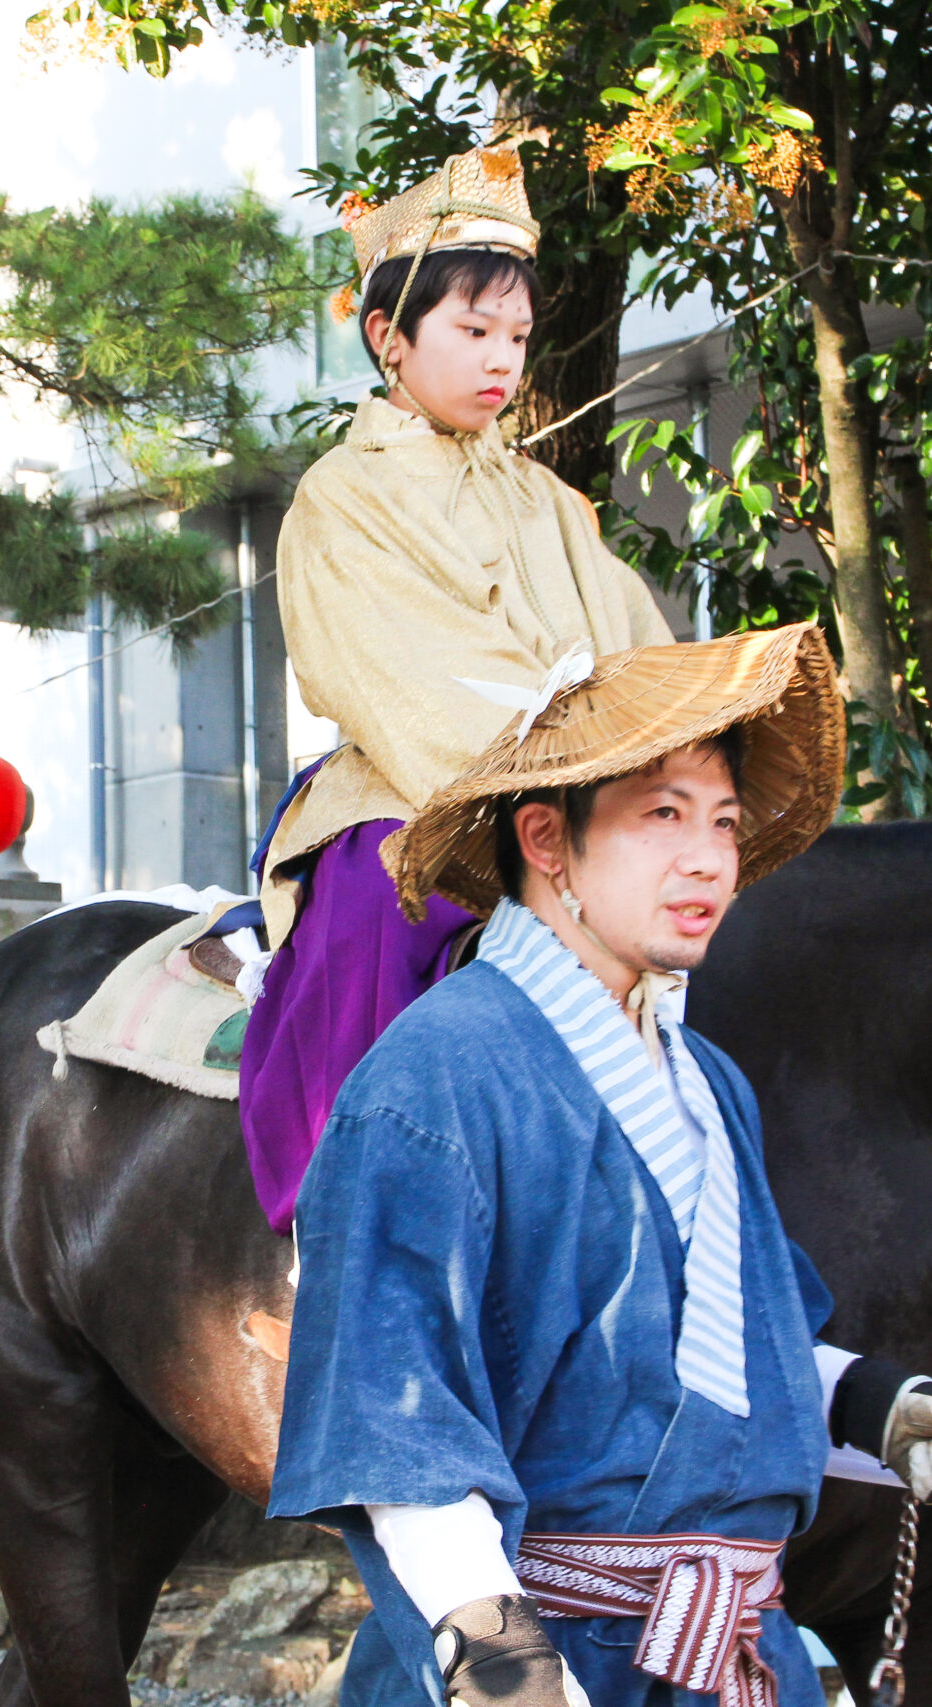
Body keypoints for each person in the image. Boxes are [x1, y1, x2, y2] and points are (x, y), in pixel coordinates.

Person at [270, 631, 932, 1707]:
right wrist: (499, 1657)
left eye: (723, 821)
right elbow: (394, 1412)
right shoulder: (431, 1076)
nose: (711, 859)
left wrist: (880, 1404)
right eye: (664, 815)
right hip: (544, 1661)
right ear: (547, 837)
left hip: (733, 1653)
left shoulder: (708, 1078)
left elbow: (734, 1347)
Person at [238, 141, 675, 1235]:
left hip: (589, 793)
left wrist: (662, 760)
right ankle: (358, 1223)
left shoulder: (549, 501)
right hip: (416, 792)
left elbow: (637, 649)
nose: (502, 361)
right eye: (474, 331)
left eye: (516, 338)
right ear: (389, 336)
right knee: (391, 908)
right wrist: (555, 792)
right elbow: (402, 687)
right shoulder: (340, 497)